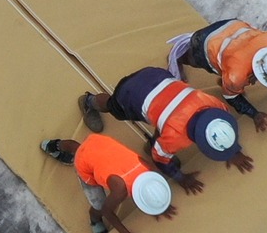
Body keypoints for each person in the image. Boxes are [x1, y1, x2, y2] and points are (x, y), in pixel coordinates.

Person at [83, 61, 251, 175]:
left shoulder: (215, 106)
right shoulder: (176, 139)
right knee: (113, 106)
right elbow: (159, 158)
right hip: (129, 93)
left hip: (155, 75)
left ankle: (154, 140)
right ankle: (89, 101)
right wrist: (180, 178)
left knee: (166, 119)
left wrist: (232, 150)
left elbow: (218, 125)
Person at [42, 113, 176, 233]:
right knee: (98, 205)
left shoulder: (151, 170)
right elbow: (107, 210)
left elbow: (149, 188)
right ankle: (94, 219)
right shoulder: (120, 190)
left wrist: (160, 205)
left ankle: (54, 145)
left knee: (81, 148)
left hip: (102, 144)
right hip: (86, 162)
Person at [167, 18, 267, 130]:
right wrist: (254, 114)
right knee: (193, 59)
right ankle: (178, 57)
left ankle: (223, 77)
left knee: (228, 72)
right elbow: (231, 96)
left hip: (232, 25)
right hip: (205, 42)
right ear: (255, 75)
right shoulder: (236, 76)